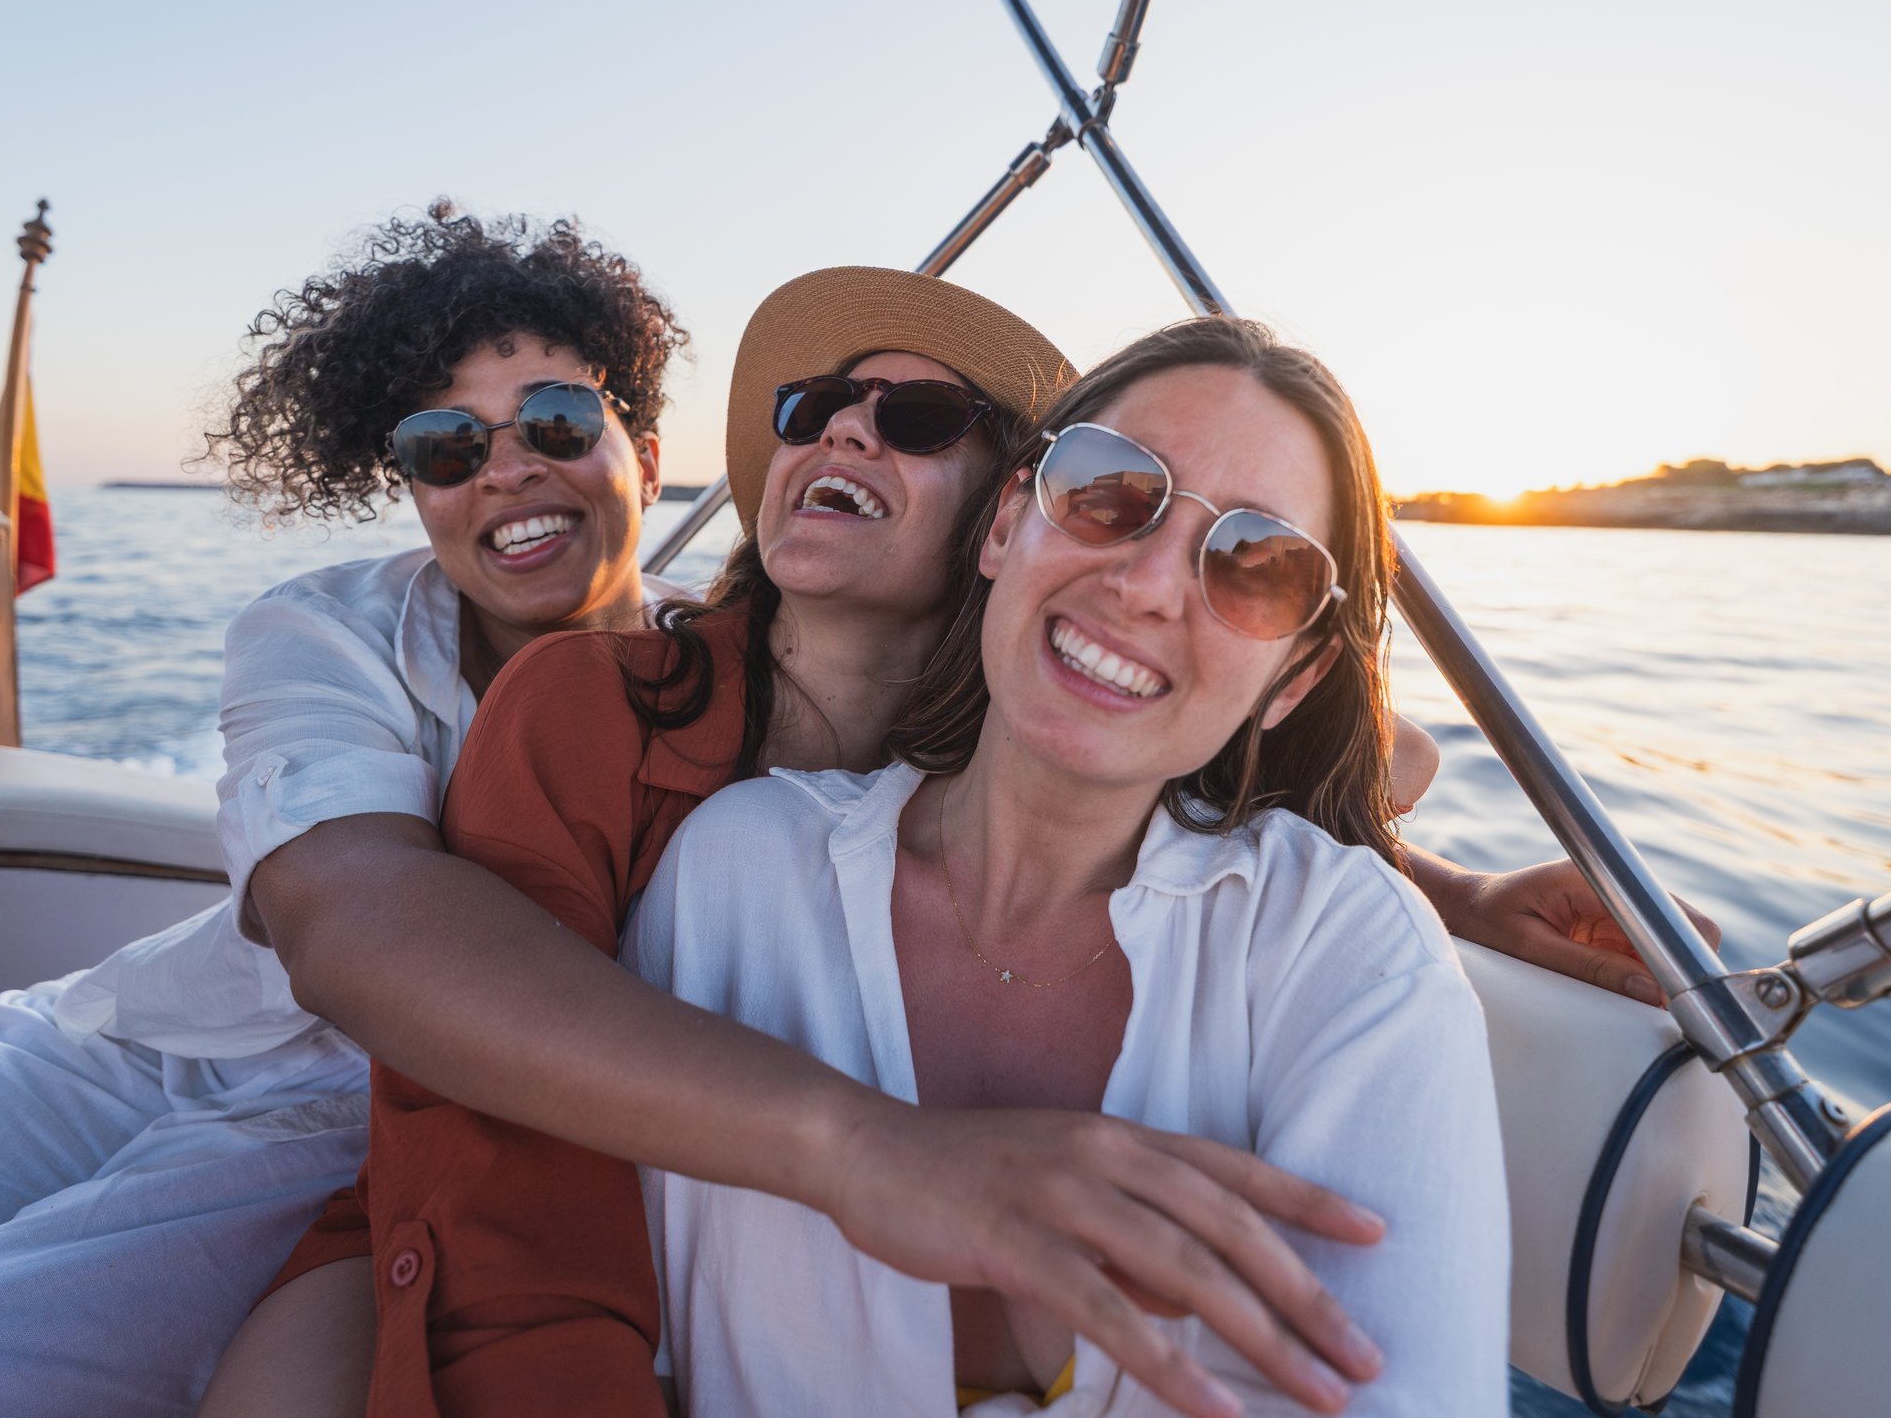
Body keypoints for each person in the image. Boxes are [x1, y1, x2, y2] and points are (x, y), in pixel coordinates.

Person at [212, 267, 1403, 1418]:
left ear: (1009, 517)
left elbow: (1278, 737)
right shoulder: (584, 706)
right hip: (496, 1244)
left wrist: (1447, 884)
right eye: (816, 408)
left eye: (921, 418)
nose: (842, 434)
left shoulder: (1043, 761)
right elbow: (496, 1167)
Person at [0, 204, 691, 1412]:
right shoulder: (324, 628)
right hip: (122, 1050)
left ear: (642, 442)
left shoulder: (737, 685)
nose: (507, 467)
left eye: (556, 419)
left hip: (344, 1140)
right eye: (446, 444)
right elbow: (343, 929)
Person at [631, 317, 1507, 1415]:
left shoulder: (1348, 951)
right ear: (1006, 523)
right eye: (1108, 490)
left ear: (1293, 677)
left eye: (1257, 566)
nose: (1146, 585)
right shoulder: (735, 875)